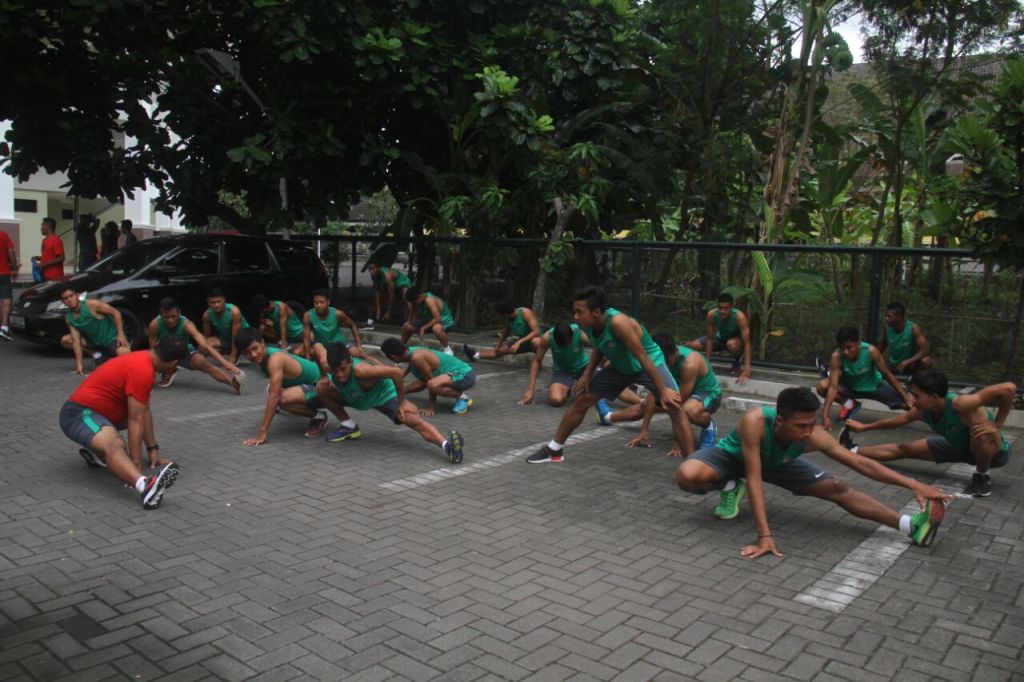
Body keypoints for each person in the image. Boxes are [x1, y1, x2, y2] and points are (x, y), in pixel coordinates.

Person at [674, 387, 951, 558]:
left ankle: (910, 526)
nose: (808, 432)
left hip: (777, 462)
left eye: (811, 424)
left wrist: (912, 484)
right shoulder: (755, 422)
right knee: (687, 476)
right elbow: (755, 477)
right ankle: (730, 486)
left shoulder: (813, 436)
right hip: (734, 458)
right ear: (780, 420)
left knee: (838, 487)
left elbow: (861, 464)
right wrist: (765, 535)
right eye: (801, 426)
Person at [524, 285, 688, 463]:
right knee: (583, 400)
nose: (575, 317)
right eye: (574, 312)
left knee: (675, 406)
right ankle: (554, 449)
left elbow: (642, 356)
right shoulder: (586, 324)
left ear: (596, 312)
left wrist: (662, 390)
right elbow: (599, 346)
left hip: (648, 364)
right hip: (620, 367)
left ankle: (694, 461)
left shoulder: (619, 323)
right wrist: (587, 374)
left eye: (579, 312)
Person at [58, 336, 187, 509]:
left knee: (141, 408)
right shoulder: (143, 370)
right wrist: (136, 465)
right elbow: (135, 421)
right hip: (79, 414)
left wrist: (152, 450)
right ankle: (145, 487)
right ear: (173, 363)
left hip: (101, 415)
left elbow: (142, 412)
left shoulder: (143, 358)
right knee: (115, 444)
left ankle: (100, 455)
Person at [841, 370, 1015, 498]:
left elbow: (1008, 388)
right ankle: (852, 450)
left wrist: (996, 425)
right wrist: (864, 427)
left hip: (993, 453)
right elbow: (895, 422)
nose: (912, 400)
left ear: (933, 396)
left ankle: (981, 477)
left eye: (916, 395)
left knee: (982, 436)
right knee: (905, 448)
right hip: (957, 447)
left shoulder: (960, 404)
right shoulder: (923, 410)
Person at [316, 343, 465, 462]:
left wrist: (402, 402)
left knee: (412, 420)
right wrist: (323, 376)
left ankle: (448, 447)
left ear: (350, 362)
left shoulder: (362, 371)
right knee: (321, 390)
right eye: (335, 371)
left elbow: (396, 373)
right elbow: (317, 346)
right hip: (356, 397)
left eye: (343, 369)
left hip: (383, 396)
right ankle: (349, 426)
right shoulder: (327, 364)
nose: (339, 374)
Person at [601, 333, 722, 456]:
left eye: (667, 361)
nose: (665, 365)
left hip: (707, 393)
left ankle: (709, 426)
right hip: (681, 392)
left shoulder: (689, 363)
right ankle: (607, 417)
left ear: (674, 352)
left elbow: (677, 405)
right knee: (645, 406)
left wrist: (679, 443)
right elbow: (653, 395)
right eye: (662, 361)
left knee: (687, 410)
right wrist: (644, 431)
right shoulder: (657, 361)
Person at [235, 328, 335, 444]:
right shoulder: (266, 357)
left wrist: (262, 433)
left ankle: (319, 417)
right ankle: (314, 412)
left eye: (255, 348)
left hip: (329, 387)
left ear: (262, 343)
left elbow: (274, 397)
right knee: (272, 389)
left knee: (281, 399)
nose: (253, 354)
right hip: (311, 386)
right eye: (247, 352)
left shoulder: (275, 359)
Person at [816, 326, 913, 429]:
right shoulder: (836, 356)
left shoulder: (871, 351)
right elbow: (833, 387)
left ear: (858, 343)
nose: (845, 352)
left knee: (909, 405)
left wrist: (905, 396)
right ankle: (849, 404)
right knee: (822, 386)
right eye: (842, 348)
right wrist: (825, 415)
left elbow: (887, 375)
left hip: (875, 387)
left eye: (849, 347)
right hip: (850, 388)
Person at [148, 297, 245, 392]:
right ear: (161, 315)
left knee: (202, 362)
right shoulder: (154, 325)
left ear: (179, 312)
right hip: (166, 354)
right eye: (166, 317)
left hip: (184, 351)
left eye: (173, 316)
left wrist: (225, 363)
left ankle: (233, 383)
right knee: (148, 363)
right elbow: (153, 350)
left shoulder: (186, 324)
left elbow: (205, 345)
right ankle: (168, 371)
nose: (170, 320)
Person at [381, 338, 476, 415]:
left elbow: (431, 381)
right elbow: (417, 378)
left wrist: (431, 407)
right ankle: (394, 393)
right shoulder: (411, 352)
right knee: (422, 383)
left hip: (465, 375)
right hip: (454, 375)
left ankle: (463, 398)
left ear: (393, 357)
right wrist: (399, 387)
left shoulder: (417, 358)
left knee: (432, 384)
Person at [59, 285, 131, 373]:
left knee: (127, 356)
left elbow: (116, 313)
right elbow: (76, 342)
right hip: (95, 343)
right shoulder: (69, 318)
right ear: (63, 302)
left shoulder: (92, 304)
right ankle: (98, 356)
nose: (69, 300)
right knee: (66, 340)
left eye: (71, 296)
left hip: (112, 339)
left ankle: (109, 359)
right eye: (66, 298)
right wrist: (79, 366)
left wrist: (121, 334)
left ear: (77, 295)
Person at [518, 321, 591, 407]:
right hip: (562, 370)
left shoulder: (579, 333)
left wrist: (589, 373)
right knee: (556, 400)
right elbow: (537, 360)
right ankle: (566, 390)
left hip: (583, 367)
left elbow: (599, 348)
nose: (566, 347)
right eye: (563, 345)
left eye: (568, 344)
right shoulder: (547, 337)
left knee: (596, 392)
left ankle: (583, 389)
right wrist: (530, 389)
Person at [685, 293, 752, 382]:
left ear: (732, 306)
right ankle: (693, 364)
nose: (722, 311)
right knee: (690, 345)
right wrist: (707, 363)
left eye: (726, 308)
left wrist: (747, 368)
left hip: (736, 342)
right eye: (720, 308)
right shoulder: (712, 315)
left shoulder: (739, 317)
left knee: (731, 344)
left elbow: (747, 342)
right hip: (720, 338)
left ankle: (737, 360)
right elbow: (710, 338)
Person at [464, 300, 541, 362]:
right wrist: (498, 345)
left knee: (536, 341)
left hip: (535, 340)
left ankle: (538, 363)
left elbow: (536, 331)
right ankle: (475, 355)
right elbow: (505, 333)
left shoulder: (525, 312)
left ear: (505, 314)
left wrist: (518, 342)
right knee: (499, 351)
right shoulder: (508, 319)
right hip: (522, 342)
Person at [302, 289, 364, 359]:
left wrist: (359, 345)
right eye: (316, 303)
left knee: (357, 353)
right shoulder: (308, 316)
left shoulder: (337, 314)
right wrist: (307, 357)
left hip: (339, 343)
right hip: (321, 346)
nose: (319, 305)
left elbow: (352, 324)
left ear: (328, 302)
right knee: (300, 352)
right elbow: (306, 339)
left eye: (322, 302)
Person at [878, 302, 932, 375]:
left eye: (889, 316)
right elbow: (881, 348)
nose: (886, 318)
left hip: (911, 365)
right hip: (893, 365)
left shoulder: (913, 328)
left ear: (899, 317)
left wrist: (907, 362)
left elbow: (925, 350)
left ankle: (921, 382)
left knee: (926, 361)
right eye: (886, 316)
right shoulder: (887, 329)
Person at [201, 287, 250, 365]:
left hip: (243, 338)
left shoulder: (234, 311)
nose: (216, 305)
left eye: (219, 301)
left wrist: (232, 356)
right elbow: (206, 336)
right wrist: (201, 354)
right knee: (207, 345)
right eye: (213, 302)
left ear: (224, 300)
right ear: (208, 303)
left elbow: (235, 336)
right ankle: (236, 351)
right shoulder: (206, 315)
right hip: (227, 339)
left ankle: (237, 352)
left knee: (242, 344)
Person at [402, 287, 455, 355]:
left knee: (436, 328)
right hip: (430, 320)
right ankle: (401, 348)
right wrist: (408, 322)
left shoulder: (429, 300)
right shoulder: (418, 300)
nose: (414, 304)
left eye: (414, 302)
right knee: (406, 327)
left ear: (419, 296)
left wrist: (423, 328)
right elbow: (413, 309)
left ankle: (448, 349)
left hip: (444, 321)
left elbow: (437, 318)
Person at [368, 261, 413, 326]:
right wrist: (378, 308)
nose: (371, 271)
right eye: (369, 269)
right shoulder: (373, 276)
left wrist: (389, 311)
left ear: (378, 268)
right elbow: (377, 291)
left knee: (406, 299)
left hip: (403, 283)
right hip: (393, 285)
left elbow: (392, 296)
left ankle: (411, 322)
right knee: (375, 300)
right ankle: (369, 323)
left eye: (373, 269)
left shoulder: (387, 276)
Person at [0, 228, 17, 341]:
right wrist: (14, 268)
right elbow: (11, 251)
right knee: (6, 300)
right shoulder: (3, 235)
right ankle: (4, 327)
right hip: (3, 273)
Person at [39, 217, 65, 281]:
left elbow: (61, 258)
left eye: (42, 225)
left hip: (54, 276)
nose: (41, 228)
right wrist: (38, 258)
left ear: (47, 226)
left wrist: (43, 265)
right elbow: (50, 257)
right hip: (45, 275)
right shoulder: (44, 240)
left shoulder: (55, 240)